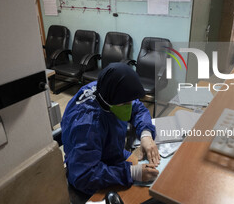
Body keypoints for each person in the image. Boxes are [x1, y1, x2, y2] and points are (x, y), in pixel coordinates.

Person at [61, 63, 160, 195]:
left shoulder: (108, 90)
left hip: (114, 154)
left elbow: (138, 109)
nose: (129, 106)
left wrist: (146, 135)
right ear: (109, 102)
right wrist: (132, 173)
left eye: (130, 101)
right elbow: (84, 176)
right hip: (91, 171)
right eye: (125, 103)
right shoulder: (88, 126)